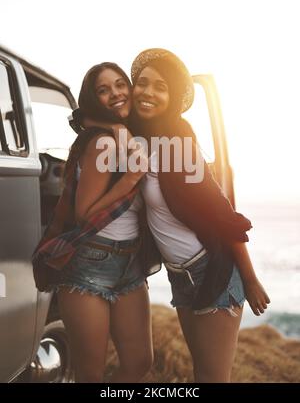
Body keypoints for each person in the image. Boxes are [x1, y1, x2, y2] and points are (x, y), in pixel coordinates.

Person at [128, 48, 270, 383]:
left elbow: (223, 214)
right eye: (143, 83)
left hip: (213, 270)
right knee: (200, 374)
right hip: (181, 276)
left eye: (161, 87)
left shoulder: (180, 142)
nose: (148, 92)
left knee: (212, 378)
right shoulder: (138, 140)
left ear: (173, 96)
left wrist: (249, 279)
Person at [32, 63, 153, 383]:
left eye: (120, 84)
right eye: (104, 89)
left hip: (129, 264)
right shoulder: (103, 143)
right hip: (89, 264)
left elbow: (79, 118)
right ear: (93, 98)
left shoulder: (126, 136)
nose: (115, 93)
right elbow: (85, 215)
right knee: (90, 374)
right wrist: (128, 180)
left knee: (140, 362)